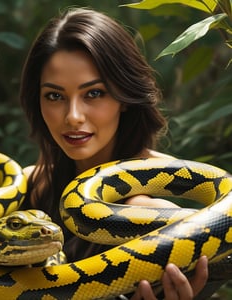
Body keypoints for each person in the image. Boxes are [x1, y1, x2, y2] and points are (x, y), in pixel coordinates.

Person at [19, 7, 208, 299]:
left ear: (124, 97)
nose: (73, 117)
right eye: (54, 96)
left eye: (94, 93)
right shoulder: (32, 184)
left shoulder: (154, 205)